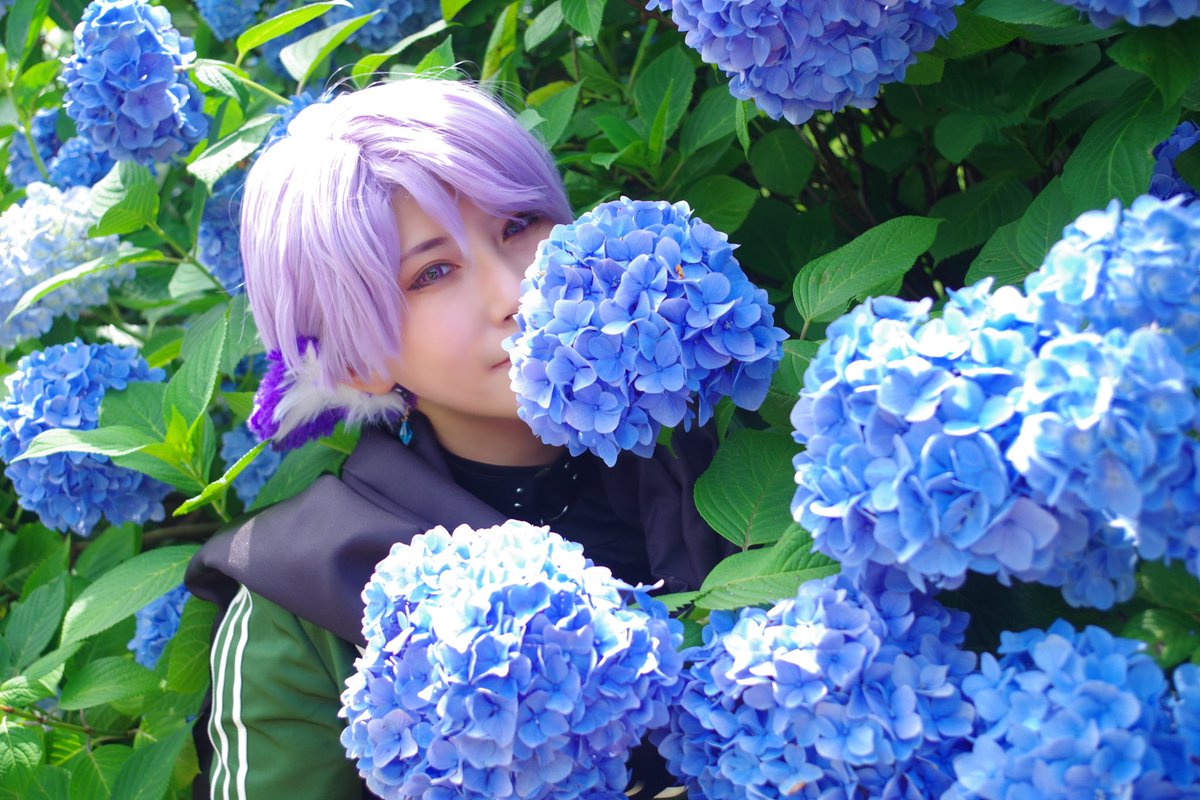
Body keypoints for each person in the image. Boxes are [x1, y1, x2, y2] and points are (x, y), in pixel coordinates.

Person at [185, 76, 735, 799]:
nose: (515, 291)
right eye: (433, 272)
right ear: (355, 360)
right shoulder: (298, 600)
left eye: (518, 225)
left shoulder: (729, 452)